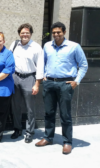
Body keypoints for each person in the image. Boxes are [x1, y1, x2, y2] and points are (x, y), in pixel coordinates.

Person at [35, 22, 88, 154]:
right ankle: (48, 137)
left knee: (65, 114)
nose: (56, 35)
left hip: (66, 84)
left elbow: (83, 65)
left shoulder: (74, 47)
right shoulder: (47, 46)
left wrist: (76, 81)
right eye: (54, 33)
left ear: (64, 32)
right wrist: (43, 77)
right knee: (49, 112)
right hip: (49, 83)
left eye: (58, 32)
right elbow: (43, 62)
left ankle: (67, 142)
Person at [9, 23, 44, 143]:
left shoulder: (36, 47)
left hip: (30, 78)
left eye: (27, 33)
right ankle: (17, 129)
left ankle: (29, 132)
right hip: (15, 77)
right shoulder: (14, 45)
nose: (25, 35)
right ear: (19, 33)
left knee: (30, 108)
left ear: (31, 34)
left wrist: (37, 84)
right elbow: (9, 60)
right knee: (15, 106)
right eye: (22, 33)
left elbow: (40, 67)